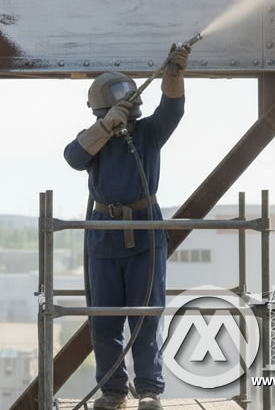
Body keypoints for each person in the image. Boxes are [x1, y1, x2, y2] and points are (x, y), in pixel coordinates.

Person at [63, 44, 191, 410]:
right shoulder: (94, 139)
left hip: (146, 236)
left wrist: (173, 76)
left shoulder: (149, 133)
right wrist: (104, 128)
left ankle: (149, 391)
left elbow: (173, 108)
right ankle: (113, 391)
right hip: (105, 236)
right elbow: (73, 157)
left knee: (146, 318)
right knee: (105, 321)